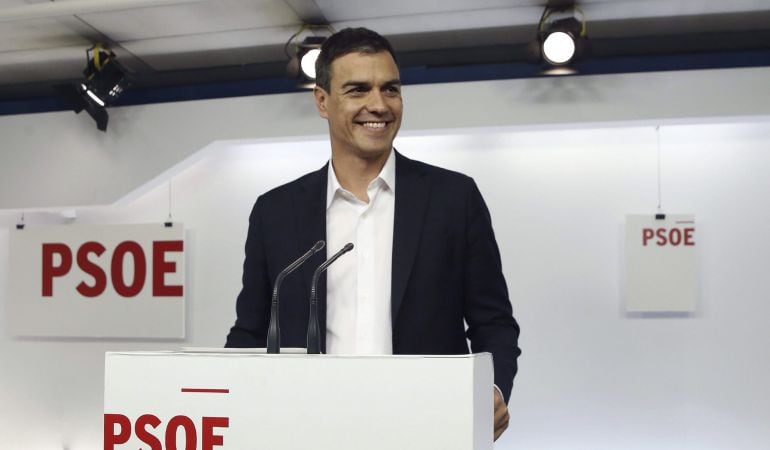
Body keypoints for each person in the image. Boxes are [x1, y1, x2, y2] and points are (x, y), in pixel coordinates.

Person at [226, 27, 521, 441]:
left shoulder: (455, 198)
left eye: (391, 89)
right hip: (306, 432)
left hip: (427, 430)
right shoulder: (274, 212)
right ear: (322, 101)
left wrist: (492, 389)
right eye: (358, 90)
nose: (378, 105)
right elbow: (250, 333)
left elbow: (494, 323)